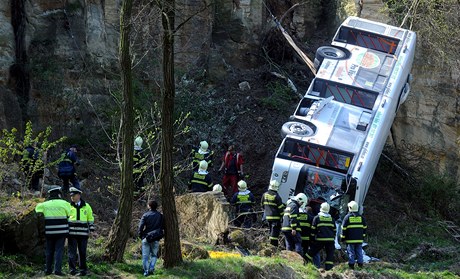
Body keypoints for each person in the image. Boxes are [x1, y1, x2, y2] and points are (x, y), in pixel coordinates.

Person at [35, 186, 71, 276]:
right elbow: (70, 214)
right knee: (59, 250)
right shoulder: (65, 203)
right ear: (59, 194)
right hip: (62, 232)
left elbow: (37, 209)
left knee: (49, 251)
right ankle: (57, 270)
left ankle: (48, 270)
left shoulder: (45, 204)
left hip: (50, 232)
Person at [68, 187, 95, 276]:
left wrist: (91, 229)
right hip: (72, 234)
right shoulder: (69, 206)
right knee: (72, 252)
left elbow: (90, 218)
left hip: (83, 234)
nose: (72, 197)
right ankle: (72, 270)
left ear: (79, 195)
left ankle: (83, 270)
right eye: (71, 196)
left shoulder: (87, 206)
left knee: (82, 252)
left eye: (74, 195)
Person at [306, 202, 336, 271]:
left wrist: (312, 239)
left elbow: (313, 230)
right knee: (330, 255)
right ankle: (329, 270)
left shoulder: (317, 218)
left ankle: (305, 263)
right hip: (330, 240)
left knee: (311, 252)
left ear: (320, 208)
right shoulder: (332, 219)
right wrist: (332, 237)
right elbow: (334, 230)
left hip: (320, 240)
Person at [138, 200, 164, 276]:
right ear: (156, 206)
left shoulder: (145, 215)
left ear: (149, 206)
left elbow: (140, 227)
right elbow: (162, 227)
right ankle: (151, 269)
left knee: (145, 256)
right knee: (154, 255)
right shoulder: (160, 216)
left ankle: (146, 271)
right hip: (156, 238)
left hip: (146, 237)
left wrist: (141, 236)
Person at [341, 200, 367, 269]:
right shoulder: (362, 218)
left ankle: (351, 266)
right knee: (359, 252)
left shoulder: (347, 218)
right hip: (359, 239)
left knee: (351, 252)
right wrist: (362, 237)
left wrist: (342, 238)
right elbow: (365, 228)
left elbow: (343, 229)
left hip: (350, 240)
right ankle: (360, 265)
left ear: (350, 208)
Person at [261, 180, 285, 246]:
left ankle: (269, 244)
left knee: (270, 231)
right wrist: (282, 216)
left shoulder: (264, 194)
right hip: (275, 218)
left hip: (267, 217)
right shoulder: (277, 196)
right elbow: (280, 209)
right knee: (274, 233)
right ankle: (273, 246)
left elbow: (262, 205)